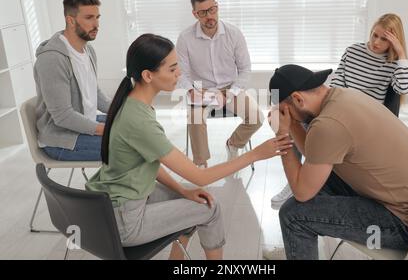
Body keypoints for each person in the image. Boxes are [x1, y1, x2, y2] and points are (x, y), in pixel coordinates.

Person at [86, 34, 292, 260]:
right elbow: (201, 176)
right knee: (210, 209)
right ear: (148, 75)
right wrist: (254, 154)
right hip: (125, 219)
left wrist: (183, 191)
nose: (179, 74)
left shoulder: (132, 104)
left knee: (197, 199)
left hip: (116, 203)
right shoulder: (139, 120)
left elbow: (151, 162)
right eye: (173, 69)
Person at [264, 64, 408, 260]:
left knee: (292, 216)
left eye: (283, 111)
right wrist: (293, 123)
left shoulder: (328, 125)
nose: (283, 116)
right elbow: (314, 153)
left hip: (405, 225)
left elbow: (302, 192)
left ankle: (296, 240)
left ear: (298, 99)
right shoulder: (342, 96)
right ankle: (296, 248)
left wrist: (282, 134)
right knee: (316, 177)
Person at [271, 13, 408, 208]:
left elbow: (403, 88)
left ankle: (307, 181)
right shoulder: (353, 51)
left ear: (394, 41)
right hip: (340, 104)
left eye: (384, 39)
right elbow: (338, 83)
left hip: (364, 116)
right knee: (299, 119)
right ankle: (299, 179)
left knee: (313, 130)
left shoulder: (393, 65)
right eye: (374, 35)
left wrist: (401, 54)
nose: (376, 42)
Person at [176, 0, 264, 168]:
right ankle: (201, 165)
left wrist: (228, 94)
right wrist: (191, 90)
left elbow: (245, 70)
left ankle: (233, 144)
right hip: (201, 89)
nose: (209, 16)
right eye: (203, 12)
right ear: (195, 14)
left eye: (212, 10)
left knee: (257, 117)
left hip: (231, 87)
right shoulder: (185, 38)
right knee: (195, 118)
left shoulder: (234, 34)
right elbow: (181, 74)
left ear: (217, 7)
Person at [33, 0, 111, 161]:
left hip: (85, 121)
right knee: (131, 147)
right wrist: (108, 129)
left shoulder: (88, 50)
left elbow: (94, 93)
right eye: (89, 18)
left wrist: (122, 110)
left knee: (139, 130)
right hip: (61, 139)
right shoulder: (52, 59)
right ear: (71, 20)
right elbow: (62, 116)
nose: (96, 24)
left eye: (97, 17)